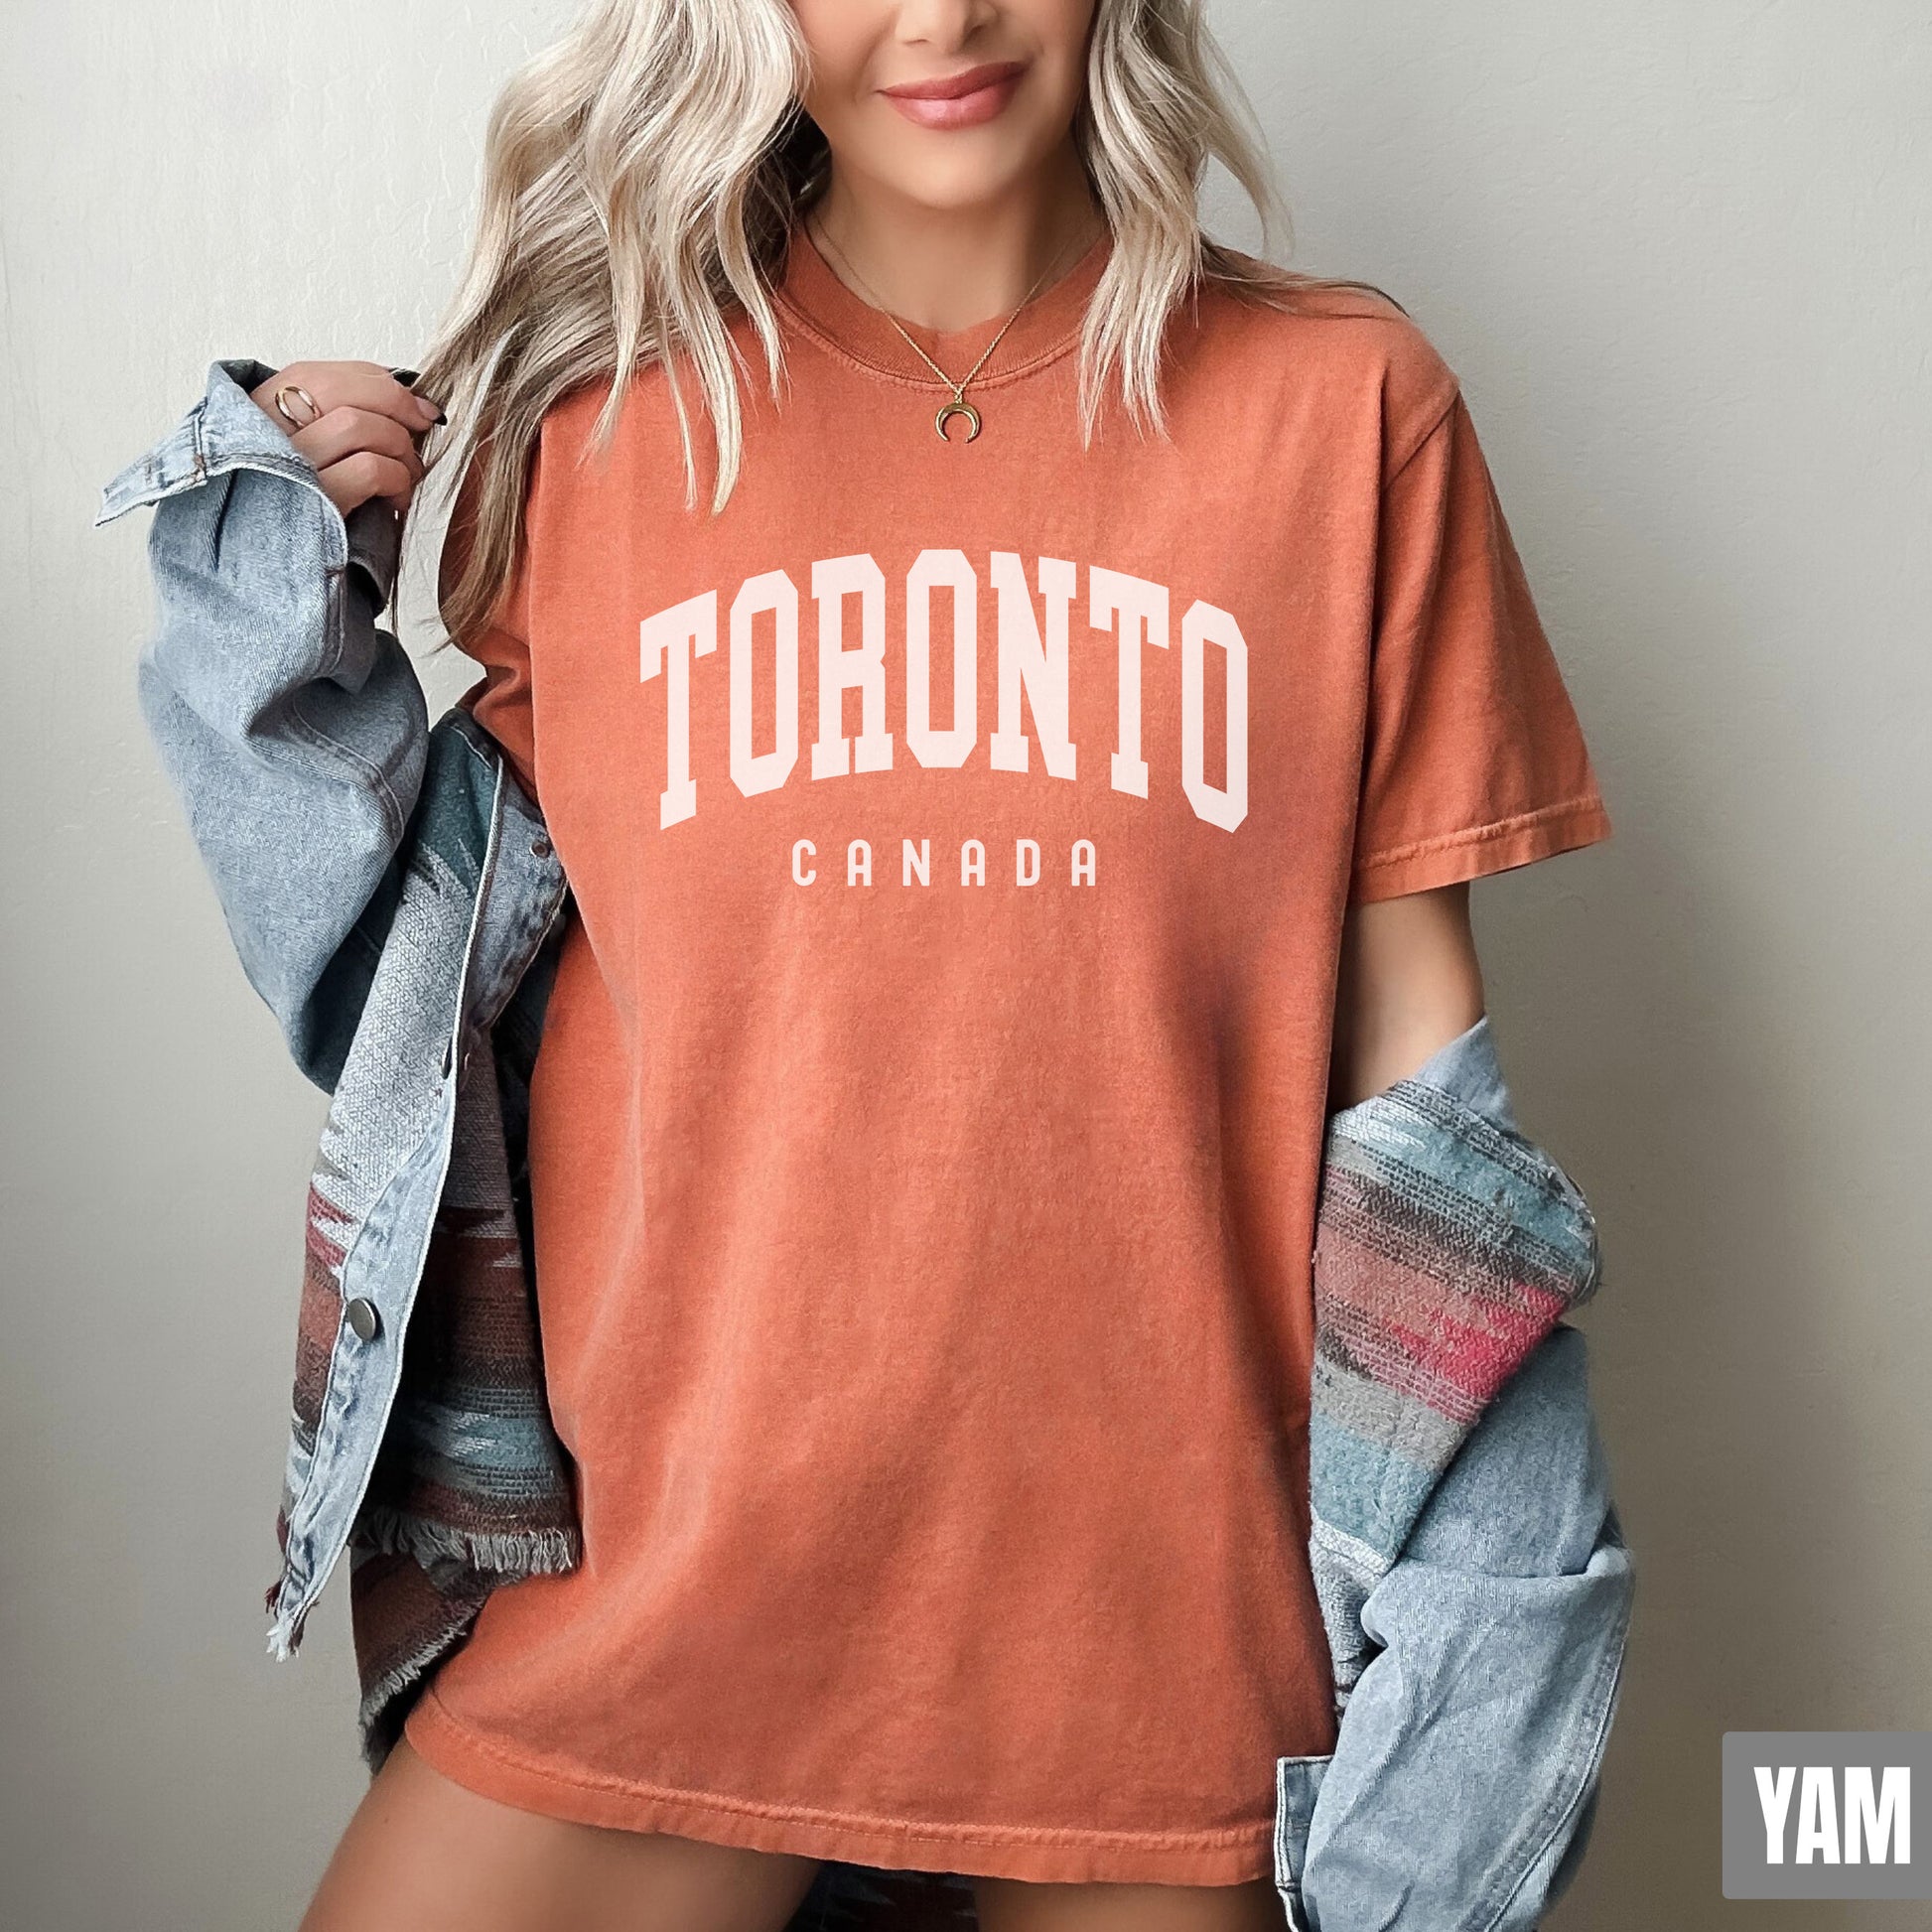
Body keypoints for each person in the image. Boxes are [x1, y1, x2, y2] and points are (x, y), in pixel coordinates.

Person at [143, 2, 1617, 1927]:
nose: (940, 17)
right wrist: (263, 587)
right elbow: (392, 1005)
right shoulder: (593, 420)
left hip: (1159, 1651)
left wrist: (1475, 1642)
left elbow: (1421, 1111)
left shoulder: (1340, 407)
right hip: (669, 1601)